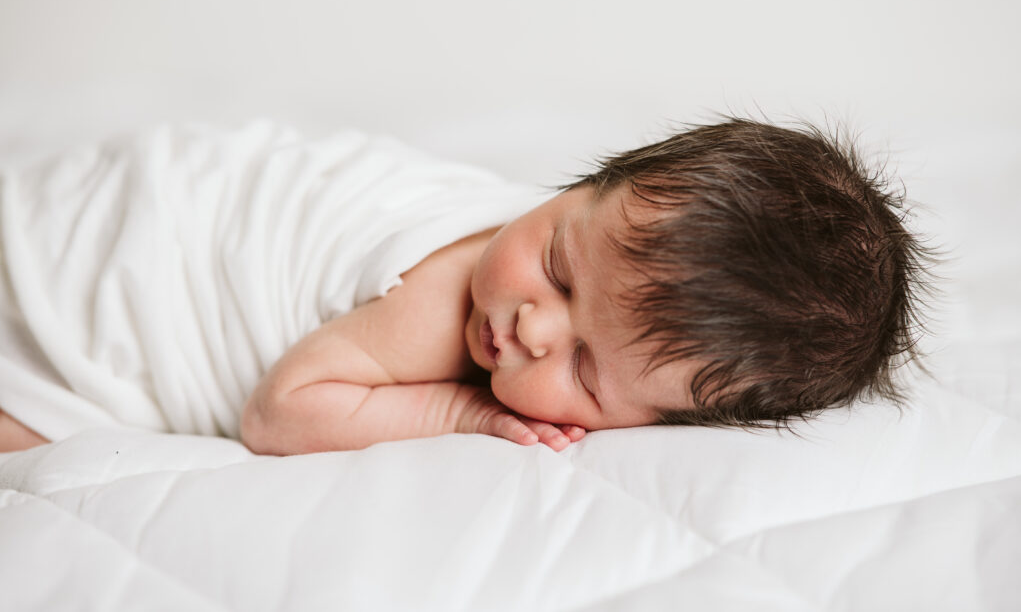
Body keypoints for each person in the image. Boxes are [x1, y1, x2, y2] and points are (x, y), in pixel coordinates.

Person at [0, 118, 929, 455]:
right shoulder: (436, 306)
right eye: (560, 268)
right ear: (580, 186)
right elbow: (278, 413)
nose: (529, 326)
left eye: (587, 371)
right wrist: (464, 415)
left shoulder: (546, 271)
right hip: (130, 256)